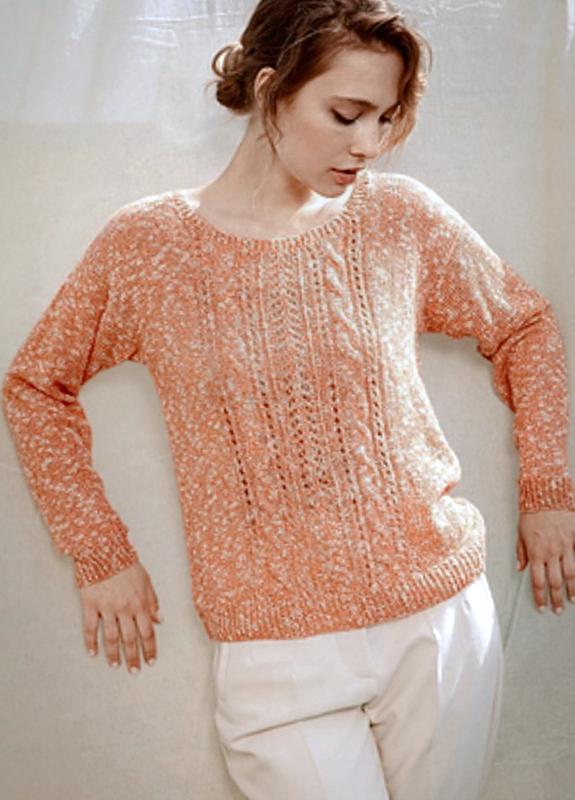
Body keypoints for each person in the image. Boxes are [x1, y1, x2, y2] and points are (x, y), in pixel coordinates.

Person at [3, 1, 575, 798]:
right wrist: (101, 553)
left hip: (436, 617)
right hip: (275, 652)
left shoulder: (398, 218)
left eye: (384, 117)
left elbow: (523, 325)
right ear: (271, 89)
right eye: (345, 114)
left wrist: (547, 490)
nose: (368, 144)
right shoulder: (147, 246)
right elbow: (36, 385)